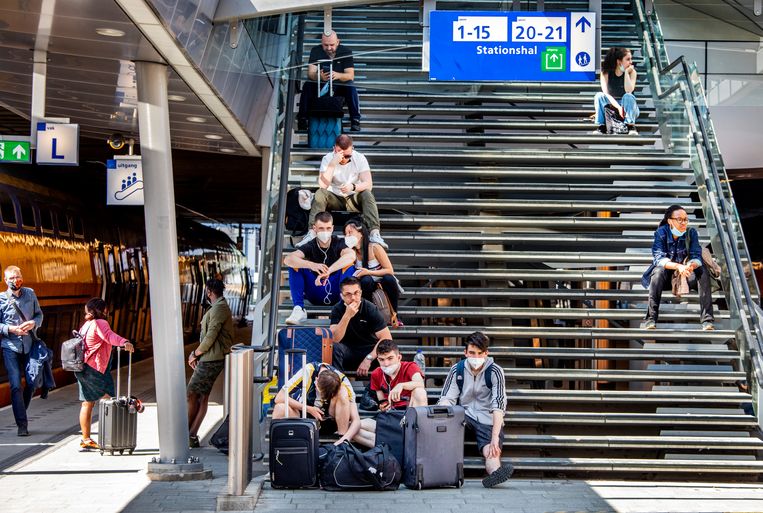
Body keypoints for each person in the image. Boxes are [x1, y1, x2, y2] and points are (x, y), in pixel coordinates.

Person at [438, 331, 513, 488]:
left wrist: (495, 438)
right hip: (463, 415)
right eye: (472, 353)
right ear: (465, 352)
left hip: (487, 417)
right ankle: (440, 471)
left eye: (480, 353)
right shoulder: (456, 370)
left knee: (491, 450)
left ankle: (494, 473)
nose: (476, 357)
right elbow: (447, 398)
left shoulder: (495, 371)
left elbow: (498, 405)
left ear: (486, 353)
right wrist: (443, 415)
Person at [298, 134, 387, 250]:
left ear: (352, 149)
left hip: (353, 197)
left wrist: (353, 187)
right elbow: (323, 185)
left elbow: (368, 184)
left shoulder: (359, 158)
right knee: (320, 193)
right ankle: (312, 233)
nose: (344, 159)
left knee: (367, 194)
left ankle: (374, 233)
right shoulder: (328, 158)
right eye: (341, 154)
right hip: (334, 197)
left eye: (348, 155)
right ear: (335, 148)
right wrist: (333, 164)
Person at [641, 205, 715, 331]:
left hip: (684, 277)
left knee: (702, 270)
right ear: (670, 221)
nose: (683, 222)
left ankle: (707, 320)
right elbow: (659, 258)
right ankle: (651, 318)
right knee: (658, 271)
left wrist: (690, 266)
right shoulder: (661, 233)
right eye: (679, 219)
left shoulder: (691, 233)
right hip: (665, 279)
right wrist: (678, 266)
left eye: (685, 219)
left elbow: (696, 255)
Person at [74, 298, 134, 450]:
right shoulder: (100, 323)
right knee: (109, 400)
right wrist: (124, 342)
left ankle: (86, 439)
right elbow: (109, 336)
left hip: (83, 368)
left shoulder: (86, 325)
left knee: (87, 403)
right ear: (103, 310)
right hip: (95, 369)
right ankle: (112, 437)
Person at [284, 211, 357, 325]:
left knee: (349, 265)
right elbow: (288, 259)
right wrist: (312, 265)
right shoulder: (311, 244)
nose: (325, 232)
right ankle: (299, 309)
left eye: (328, 228)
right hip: (315, 290)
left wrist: (329, 271)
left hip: (336, 291)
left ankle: (345, 306)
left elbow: (351, 256)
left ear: (332, 228)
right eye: (321, 228)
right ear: (315, 228)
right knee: (294, 265)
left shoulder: (338, 242)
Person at [187, 278, 235, 448]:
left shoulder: (219, 308)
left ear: (209, 291)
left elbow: (210, 337)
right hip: (209, 358)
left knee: (193, 393)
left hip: (211, 359)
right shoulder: (218, 307)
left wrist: (195, 353)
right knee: (200, 396)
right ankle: (190, 435)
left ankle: (190, 434)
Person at [354, 339, 427, 447]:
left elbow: (420, 383)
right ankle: (394, 445)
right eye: (382, 360)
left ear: (399, 357)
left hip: (409, 417)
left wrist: (401, 385)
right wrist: (383, 405)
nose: (386, 363)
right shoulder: (376, 374)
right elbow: (382, 400)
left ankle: (409, 439)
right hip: (391, 418)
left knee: (420, 392)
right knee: (353, 428)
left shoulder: (409, 367)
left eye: (390, 358)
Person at [272, 361, 361, 445]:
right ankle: (278, 449)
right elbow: (279, 397)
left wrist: (344, 440)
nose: (322, 397)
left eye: (327, 395)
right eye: (321, 393)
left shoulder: (343, 381)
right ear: (316, 380)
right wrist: (309, 409)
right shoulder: (308, 370)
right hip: (304, 415)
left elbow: (356, 420)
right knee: (280, 408)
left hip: (329, 419)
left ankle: (341, 437)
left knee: (343, 392)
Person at [0, 266, 43, 436]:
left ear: (22, 277)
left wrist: (33, 323)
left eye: (17, 277)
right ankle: (22, 425)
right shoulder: (1, 299)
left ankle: (20, 410)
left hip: (30, 344)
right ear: (5, 280)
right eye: (11, 278)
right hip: (10, 347)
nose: (14, 280)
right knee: (16, 385)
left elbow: (39, 315)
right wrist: (11, 329)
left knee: (32, 383)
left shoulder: (30, 294)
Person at [297, 30, 361, 132]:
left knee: (351, 86)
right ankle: (302, 119)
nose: (329, 48)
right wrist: (319, 76)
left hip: (339, 87)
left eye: (332, 45)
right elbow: (310, 73)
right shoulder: (316, 50)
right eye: (325, 45)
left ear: (338, 42)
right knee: (307, 85)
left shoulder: (346, 51)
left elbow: (350, 75)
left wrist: (337, 75)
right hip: (321, 86)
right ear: (321, 42)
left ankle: (355, 119)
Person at [343, 218, 402, 322]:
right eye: (345, 234)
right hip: (366, 284)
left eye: (350, 232)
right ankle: (368, 315)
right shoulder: (350, 252)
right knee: (366, 280)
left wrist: (369, 272)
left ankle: (395, 315)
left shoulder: (374, 247)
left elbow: (390, 270)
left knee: (389, 279)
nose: (347, 236)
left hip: (382, 282)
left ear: (360, 233)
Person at [330, 276, 392, 376]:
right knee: (333, 347)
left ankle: (383, 388)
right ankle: (339, 384)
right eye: (348, 294)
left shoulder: (370, 308)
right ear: (342, 296)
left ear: (361, 293)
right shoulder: (337, 309)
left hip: (370, 351)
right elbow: (335, 339)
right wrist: (347, 316)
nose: (353, 298)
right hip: (347, 351)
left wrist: (369, 358)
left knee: (389, 350)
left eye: (356, 293)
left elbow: (386, 338)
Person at [593, 47, 639, 135]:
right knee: (599, 95)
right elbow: (606, 94)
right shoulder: (605, 72)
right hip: (613, 107)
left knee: (628, 96)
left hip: (629, 109)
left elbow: (629, 90)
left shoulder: (632, 72)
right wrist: (618, 107)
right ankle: (601, 127)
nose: (631, 62)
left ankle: (630, 126)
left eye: (631, 59)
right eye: (628, 59)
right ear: (619, 61)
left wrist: (626, 73)